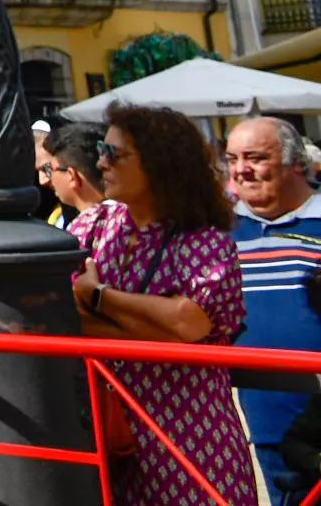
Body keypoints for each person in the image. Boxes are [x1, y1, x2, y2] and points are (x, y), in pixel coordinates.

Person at [72, 103, 251, 506]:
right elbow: (63, 313)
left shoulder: (203, 239)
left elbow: (190, 323)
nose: (101, 162)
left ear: (159, 162)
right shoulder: (93, 226)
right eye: (102, 149)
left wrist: (101, 297)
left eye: (114, 153)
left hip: (193, 441)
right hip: (111, 437)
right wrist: (156, 323)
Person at [227, 115, 321, 501]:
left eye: (254, 157)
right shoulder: (222, 230)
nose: (241, 170)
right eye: (232, 159)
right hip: (261, 417)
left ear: (295, 162)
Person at [39, 122, 104, 228]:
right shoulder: (125, 217)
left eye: (49, 169)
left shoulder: (84, 229)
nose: (43, 180)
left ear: (72, 176)